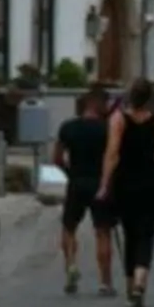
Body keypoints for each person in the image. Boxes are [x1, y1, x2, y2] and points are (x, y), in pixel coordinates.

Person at [95, 77, 154, 307]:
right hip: (150, 181)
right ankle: (141, 280)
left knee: (130, 234)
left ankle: (130, 285)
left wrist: (105, 184)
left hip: (125, 182)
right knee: (147, 234)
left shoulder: (118, 120)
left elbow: (112, 153)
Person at [54, 87, 115, 296]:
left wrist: (69, 172)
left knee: (69, 227)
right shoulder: (107, 129)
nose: (108, 108)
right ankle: (105, 282)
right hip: (100, 183)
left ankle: (71, 265)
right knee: (103, 231)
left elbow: (57, 158)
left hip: (77, 182)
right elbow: (114, 157)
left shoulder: (68, 128)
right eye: (106, 104)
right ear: (96, 104)